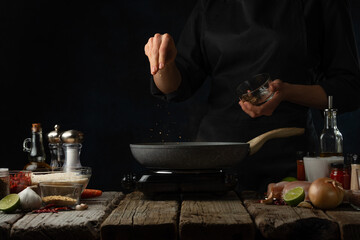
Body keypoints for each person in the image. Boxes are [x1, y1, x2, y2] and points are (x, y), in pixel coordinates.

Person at [144, 0, 360, 192]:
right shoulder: (209, 6)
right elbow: (174, 88)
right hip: (216, 160)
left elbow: (348, 88)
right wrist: (163, 65)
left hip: (289, 161)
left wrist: (287, 92)